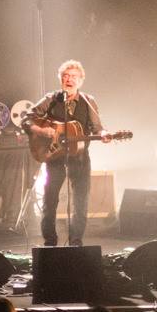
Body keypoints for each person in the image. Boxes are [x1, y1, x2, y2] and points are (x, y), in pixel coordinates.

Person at [26, 59, 112, 247]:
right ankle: (49, 240)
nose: (69, 79)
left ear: (81, 80)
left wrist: (104, 134)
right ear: (60, 79)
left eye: (73, 76)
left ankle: (75, 241)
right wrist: (42, 131)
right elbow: (27, 119)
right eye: (65, 76)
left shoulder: (88, 101)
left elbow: (98, 128)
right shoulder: (51, 98)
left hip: (80, 157)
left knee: (81, 200)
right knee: (50, 199)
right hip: (54, 156)